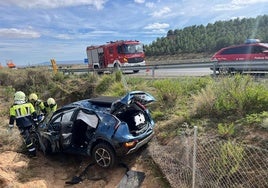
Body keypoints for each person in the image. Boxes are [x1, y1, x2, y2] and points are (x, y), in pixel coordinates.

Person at [8, 91, 38, 157]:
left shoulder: (13, 107)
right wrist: (36, 123)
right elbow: (34, 114)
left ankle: (33, 154)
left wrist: (10, 127)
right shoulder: (29, 104)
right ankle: (37, 149)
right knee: (34, 136)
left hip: (22, 127)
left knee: (27, 140)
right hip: (31, 124)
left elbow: (12, 118)